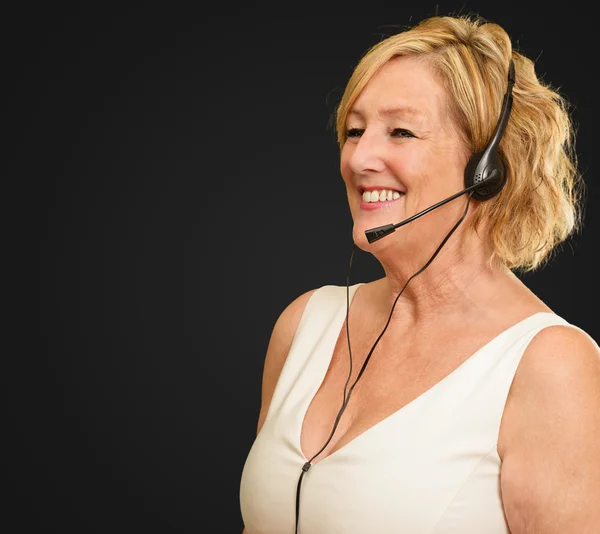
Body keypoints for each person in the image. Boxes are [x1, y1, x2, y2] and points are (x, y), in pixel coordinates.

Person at [239, 14, 600, 534]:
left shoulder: (550, 365)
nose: (360, 158)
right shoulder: (305, 325)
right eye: (354, 130)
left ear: (489, 169)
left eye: (401, 131)